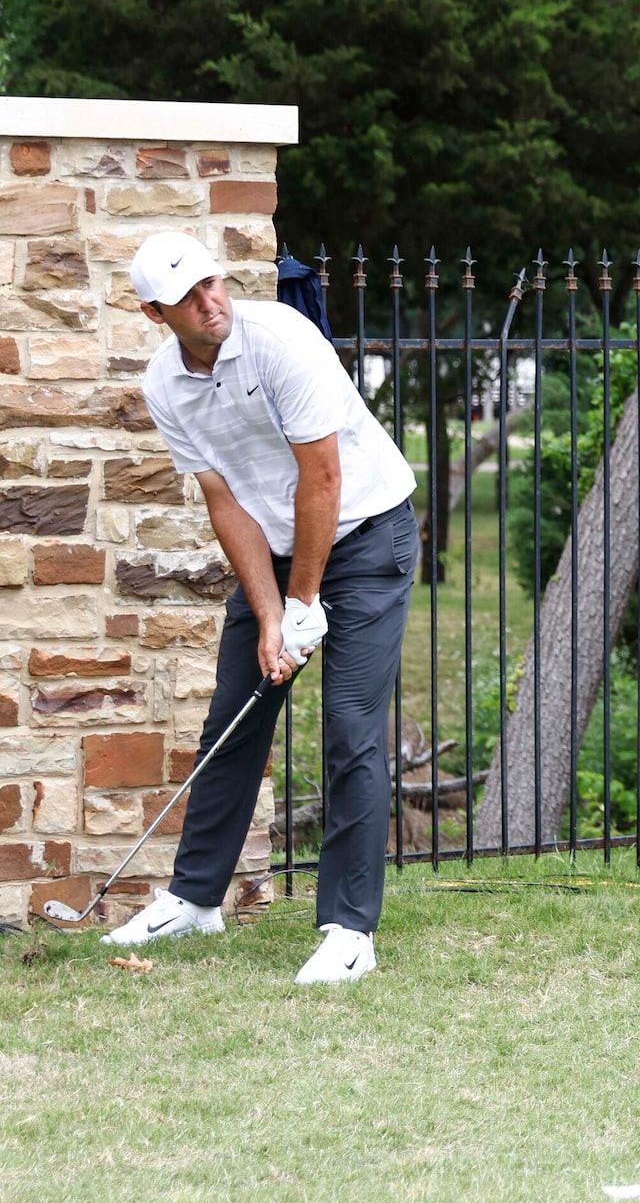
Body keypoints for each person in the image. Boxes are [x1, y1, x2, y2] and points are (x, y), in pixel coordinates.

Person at [104, 233, 420, 986]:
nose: (211, 302)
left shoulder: (282, 340)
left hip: (368, 536)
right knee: (235, 715)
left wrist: (304, 603)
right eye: (188, 297)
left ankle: (349, 930)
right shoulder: (164, 383)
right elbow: (226, 501)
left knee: (350, 729)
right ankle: (196, 900)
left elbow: (323, 478)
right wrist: (270, 612)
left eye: (213, 283)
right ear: (155, 311)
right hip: (278, 547)